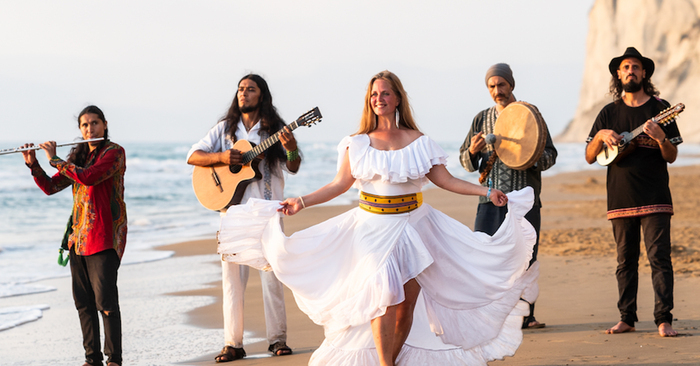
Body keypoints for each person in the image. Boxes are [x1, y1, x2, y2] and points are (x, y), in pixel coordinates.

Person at [218, 71, 540, 366]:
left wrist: (485, 193)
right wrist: (301, 202)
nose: (379, 99)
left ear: (397, 98)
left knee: (406, 307)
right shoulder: (356, 143)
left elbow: (446, 180)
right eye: (374, 94)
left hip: (416, 226)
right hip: (371, 229)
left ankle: (392, 361)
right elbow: (339, 184)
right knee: (383, 299)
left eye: (385, 93)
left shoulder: (420, 141)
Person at [186, 73, 299, 361]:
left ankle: (277, 340)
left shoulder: (274, 129)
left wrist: (290, 147)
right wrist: (223, 158)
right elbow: (194, 156)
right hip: (232, 210)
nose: (243, 93)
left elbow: (294, 166)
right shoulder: (225, 128)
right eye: (240, 89)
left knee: (272, 275)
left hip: (267, 209)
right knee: (232, 278)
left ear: (262, 95)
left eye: (250, 89)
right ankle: (233, 343)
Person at [585, 47, 682, 337]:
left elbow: (672, 155)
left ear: (644, 73)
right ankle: (627, 317)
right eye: (626, 67)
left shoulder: (661, 109)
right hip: (620, 198)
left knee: (659, 260)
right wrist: (601, 135)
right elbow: (590, 156)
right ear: (618, 73)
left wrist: (662, 138)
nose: (631, 71)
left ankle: (664, 320)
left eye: (636, 67)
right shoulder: (609, 112)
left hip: (655, 198)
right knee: (625, 261)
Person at [20, 105, 127, 366]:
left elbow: (89, 178)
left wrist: (55, 159)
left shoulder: (114, 153)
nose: (90, 129)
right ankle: (92, 359)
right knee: (83, 304)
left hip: (104, 236)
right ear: (80, 129)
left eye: (94, 123)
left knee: (106, 302)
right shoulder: (80, 157)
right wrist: (34, 164)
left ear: (104, 125)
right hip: (78, 239)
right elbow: (51, 186)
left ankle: (114, 360)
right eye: (85, 125)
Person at [459, 63, 557, 329]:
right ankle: (491, 315)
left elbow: (551, 155)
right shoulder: (481, 118)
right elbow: (465, 162)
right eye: (492, 86)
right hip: (489, 199)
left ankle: (526, 316)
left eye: (501, 84)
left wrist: (530, 159)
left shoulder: (530, 115)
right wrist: (472, 151)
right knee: (487, 255)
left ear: (511, 84)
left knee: (525, 256)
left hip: (524, 199)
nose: (497, 91)